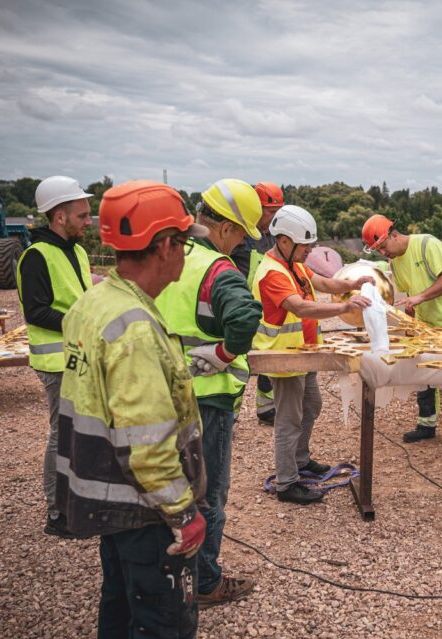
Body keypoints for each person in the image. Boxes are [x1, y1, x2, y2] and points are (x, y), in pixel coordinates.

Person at [56, 180, 210, 639]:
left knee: (121, 597)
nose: (185, 253)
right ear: (164, 245)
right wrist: (183, 513)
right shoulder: (136, 327)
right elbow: (146, 443)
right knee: (164, 627)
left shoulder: (94, 303)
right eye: (184, 242)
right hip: (144, 506)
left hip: (104, 495)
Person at [155, 178, 262, 610]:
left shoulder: (166, 256)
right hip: (207, 399)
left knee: (168, 488)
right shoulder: (217, 268)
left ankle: (168, 571)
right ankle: (204, 582)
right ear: (225, 229)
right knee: (208, 495)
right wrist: (223, 352)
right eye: (239, 234)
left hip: (160, 393)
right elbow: (245, 317)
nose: (239, 245)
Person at [252, 205, 373, 504]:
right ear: (283, 241)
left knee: (312, 404)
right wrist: (345, 307)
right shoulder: (273, 273)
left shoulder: (294, 265)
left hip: (304, 354)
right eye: (305, 245)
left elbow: (323, 283)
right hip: (285, 357)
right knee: (289, 418)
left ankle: (301, 459)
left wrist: (351, 284)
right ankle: (286, 482)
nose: (309, 251)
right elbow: (302, 307)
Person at [361, 214, 442, 449]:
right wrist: (410, 325)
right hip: (426, 328)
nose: (384, 254)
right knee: (423, 378)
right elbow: (410, 299)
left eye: (383, 247)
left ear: (394, 234)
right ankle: (426, 424)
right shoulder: (395, 262)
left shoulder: (427, 244)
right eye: (378, 251)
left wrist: (421, 297)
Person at [17, 175, 94, 538]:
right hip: (55, 363)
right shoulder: (35, 257)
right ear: (59, 216)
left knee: (81, 433)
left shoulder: (75, 251)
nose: (88, 221)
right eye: (82, 215)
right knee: (62, 435)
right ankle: (57, 512)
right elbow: (35, 312)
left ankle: (77, 502)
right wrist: (81, 323)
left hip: (77, 357)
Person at [230, 182, 284, 426]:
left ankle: (266, 407)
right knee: (237, 363)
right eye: (271, 211)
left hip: (264, 309)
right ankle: (230, 415)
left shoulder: (273, 237)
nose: (274, 217)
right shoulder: (240, 237)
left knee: (268, 360)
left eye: (278, 211)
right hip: (239, 307)